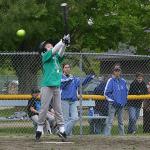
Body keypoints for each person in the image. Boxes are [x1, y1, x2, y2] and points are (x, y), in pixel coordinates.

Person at [35, 35, 70, 141]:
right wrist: (62, 41)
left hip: (56, 85)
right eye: (48, 45)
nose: (50, 46)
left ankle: (62, 129)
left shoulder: (56, 58)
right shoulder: (45, 56)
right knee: (44, 108)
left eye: (51, 45)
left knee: (58, 109)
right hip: (47, 85)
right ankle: (40, 128)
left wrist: (65, 44)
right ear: (43, 49)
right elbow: (55, 50)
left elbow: (60, 52)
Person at [61, 63, 94, 136]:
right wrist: (69, 79)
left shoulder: (73, 78)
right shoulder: (61, 77)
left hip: (73, 100)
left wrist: (90, 77)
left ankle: (64, 133)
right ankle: (66, 135)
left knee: (75, 118)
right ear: (63, 69)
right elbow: (61, 85)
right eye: (65, 67)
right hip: (64, 100)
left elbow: (81, 82)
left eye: (68, 67)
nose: (67, 69)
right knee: (65, 119)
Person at [104, 66, 128, 136]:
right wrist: (113, 101)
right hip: (113, 104)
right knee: (110, 120)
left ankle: (122, 135)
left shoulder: (123, 81)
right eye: (116, 71)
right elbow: (106, 93)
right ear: (113, 72)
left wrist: (124, 101)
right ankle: (107, 135)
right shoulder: (110, 80)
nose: (117, 72)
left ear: (120, 72)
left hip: (121, 104)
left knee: (121, 121)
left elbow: (126, 92)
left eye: (118, 71)